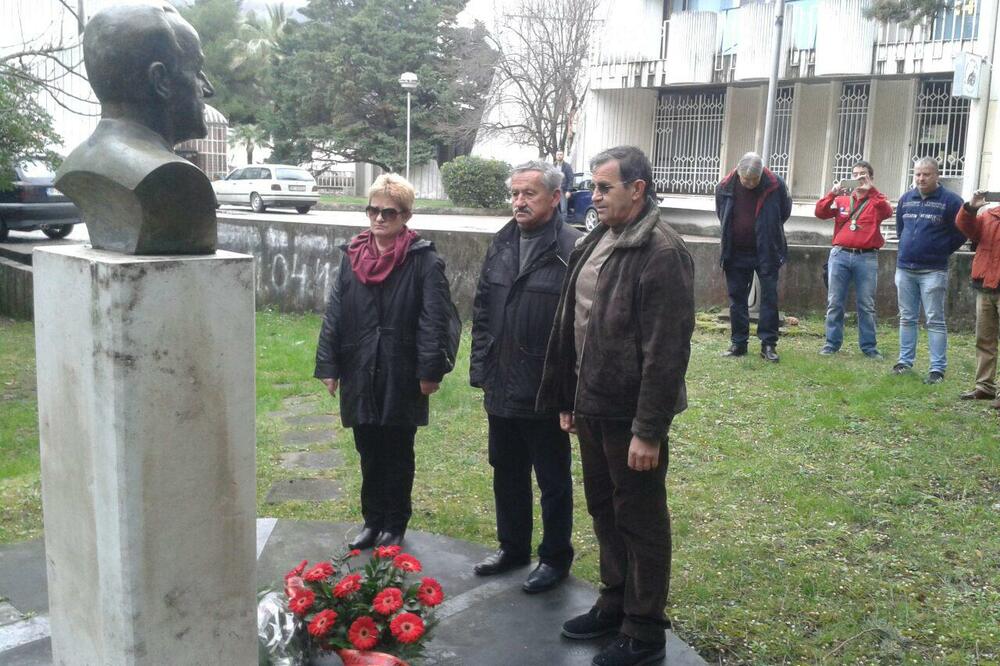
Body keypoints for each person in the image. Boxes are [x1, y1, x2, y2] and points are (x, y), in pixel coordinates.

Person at [538, 146, 694, 666]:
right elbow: (574, 324)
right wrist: (568, 398)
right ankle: (615, 601)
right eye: (594, 187)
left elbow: (666, 351)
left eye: (605, 187)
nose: (596, 196)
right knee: (605, 508)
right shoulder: (597, 238)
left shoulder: (662, 252)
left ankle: (644, 630)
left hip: (630, 415)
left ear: (638, 189)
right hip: (592, 406)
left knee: (640, 518)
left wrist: (649, 430)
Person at [314, 173, 459, 549]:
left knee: (397, 451)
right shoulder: (352, 257)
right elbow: (335, 313)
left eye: (389, 212)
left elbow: (435, 319)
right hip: (360, 365)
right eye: (373, 210)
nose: (379, 218)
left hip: (401, 369)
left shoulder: (424, 260)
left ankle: (395, 523)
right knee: (368, 448)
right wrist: (329, 366)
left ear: (405, 216)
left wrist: (430, 371)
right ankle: (372, 520)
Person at [469, 161, 581, 593]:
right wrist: (482, 368)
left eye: (528, 194)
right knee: (506, 469)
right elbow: (482, 311)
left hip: (544, 387)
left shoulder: (572, 248)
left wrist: (569, 393)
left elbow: (579, 328)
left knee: (552, 479)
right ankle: (512, 547)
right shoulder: (501, 243)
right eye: (514, 194)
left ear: (555, 197)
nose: (518, 202)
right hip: (501, 381)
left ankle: (554, 557)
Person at [55, 1, 217, 255]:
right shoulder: (174, 180)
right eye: (196, 71)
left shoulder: (79, 161)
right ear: (161, 81)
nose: (207, 89)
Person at [892, 157, 966, 384]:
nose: (921, 179)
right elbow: (900, 229)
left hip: (933, 270)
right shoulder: (906, 199)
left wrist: (941, 249)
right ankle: (904, 362)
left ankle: (937, 369)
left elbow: (961, 232)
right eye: (917, 174)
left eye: (926, 174)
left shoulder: (951, 201)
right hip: (905, 268)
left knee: (934, 319)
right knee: (907, 318)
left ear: (937, 175)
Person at [715, 152, 792, 362]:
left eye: (754, 180)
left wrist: (768, 230)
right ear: (738, 172)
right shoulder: (725, 186)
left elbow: (784, 212)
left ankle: (768, 344)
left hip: (767, 250)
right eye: (745, 179)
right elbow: (722, 214)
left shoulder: (775, 184)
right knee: (737, 298)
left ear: (762, 173)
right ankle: (738, 343)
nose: (749, 183)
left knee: (769, 297)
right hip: (735, 251)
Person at [813, 161, 894, 358]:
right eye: (855, 174)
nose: (858, 178)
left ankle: (869, 347)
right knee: (835, 302)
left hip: (866, 257)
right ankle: (831, 344)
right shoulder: (842, 200)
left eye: (863, 174)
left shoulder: (876, 201)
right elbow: (820, 213)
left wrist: (871, 190)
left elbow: (887, 212)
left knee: (866, 304)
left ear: (870, 177)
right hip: (840, 254)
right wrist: (832, 193)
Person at [955, 190, 1000, 407]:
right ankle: (985, 386)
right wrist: (971, 208)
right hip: (986, 286)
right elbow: (966, 228)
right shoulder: (989, 215)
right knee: (984, 339)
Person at [555, 150, 575, 217]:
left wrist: (569, 191)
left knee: (563, 210)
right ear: (556, 156)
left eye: (561, 154)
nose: (559, 156)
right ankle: (555, 223)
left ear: (563, 156)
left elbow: (571, 179)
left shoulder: (567, 166)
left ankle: (563, 223)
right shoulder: (553, 166)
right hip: (554, 190)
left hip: (563, 190)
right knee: (554, 209)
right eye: (558, 154)